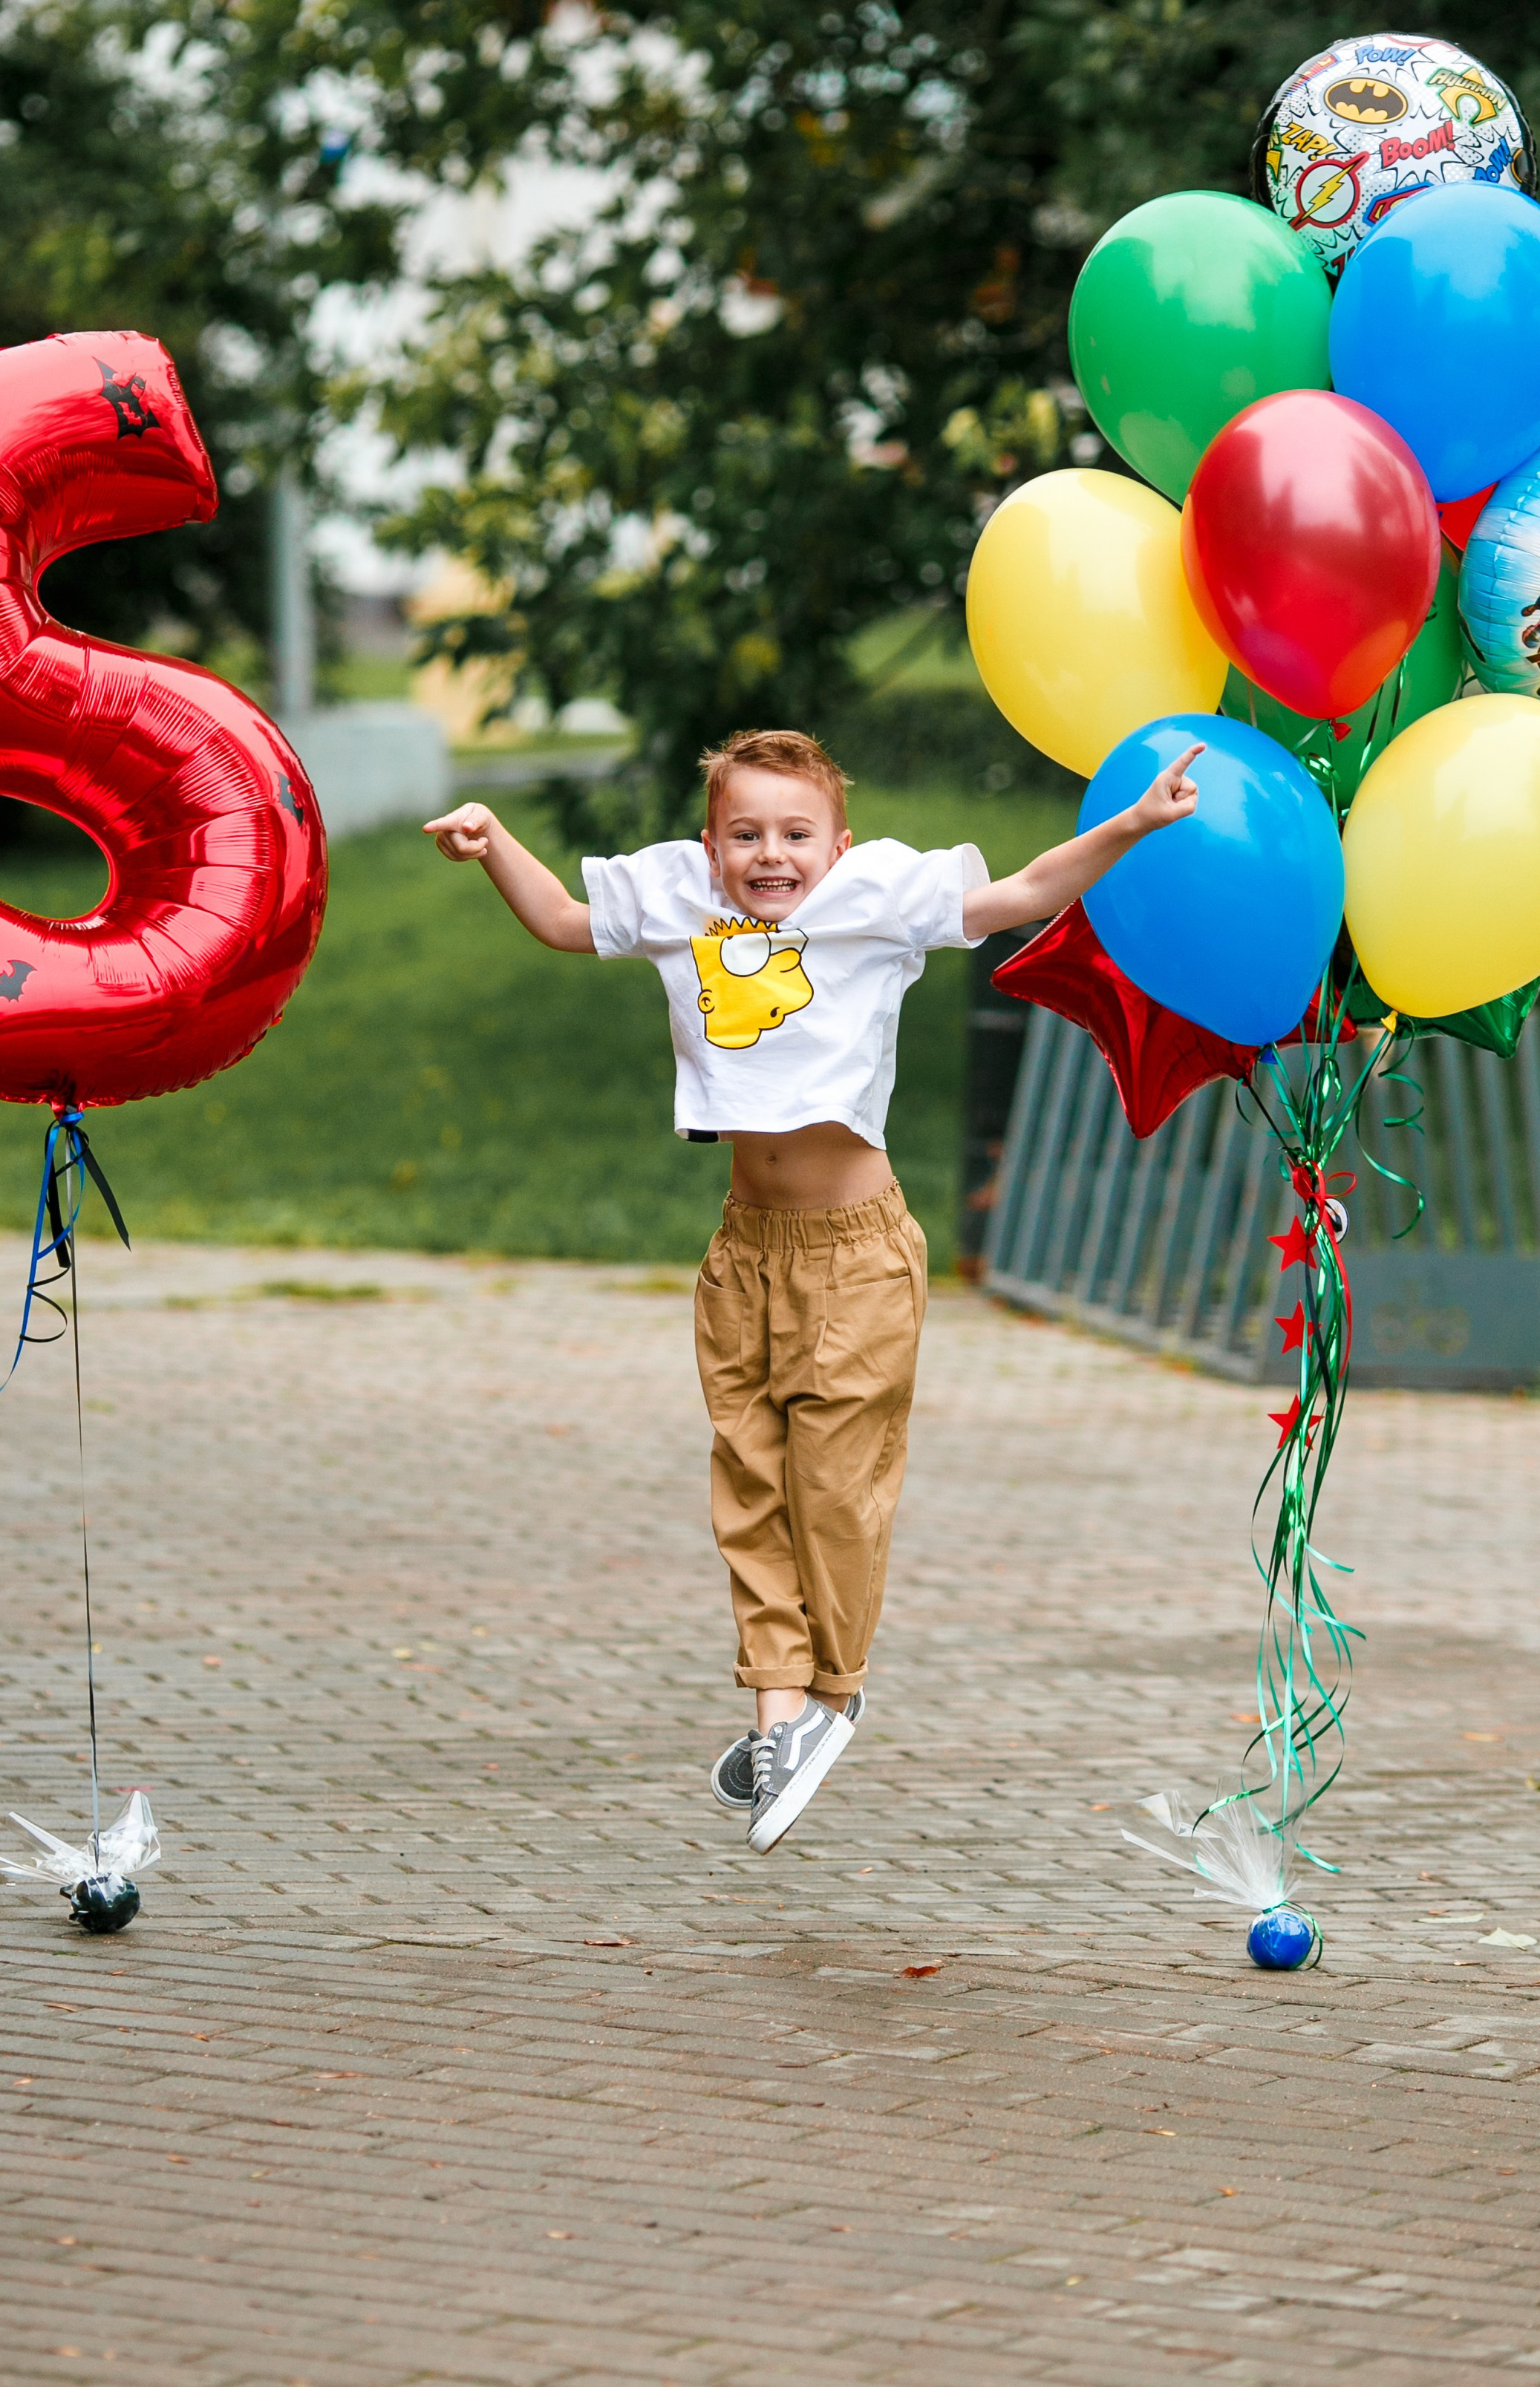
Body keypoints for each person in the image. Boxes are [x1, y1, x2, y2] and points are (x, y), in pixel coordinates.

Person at [425, 727, 1201, 1852]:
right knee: (749, 1476)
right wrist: (495, 840)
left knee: (832, 1482)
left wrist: (1131, 824)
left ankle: (833, 1691)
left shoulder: (881, 896)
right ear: (712, 842)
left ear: (839, 845)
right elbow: (559, 921)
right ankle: (776, 1708)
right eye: (746, 834)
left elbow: (1027, 892)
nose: (770, 855)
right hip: (745, 1246)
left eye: (796, 835)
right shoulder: (677, 895)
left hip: (857, 1250)